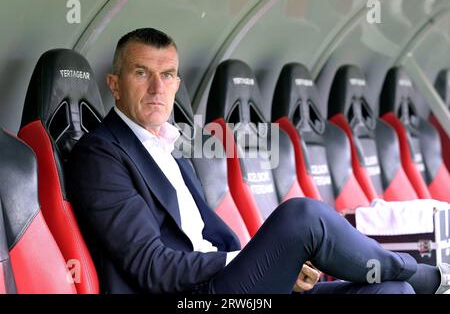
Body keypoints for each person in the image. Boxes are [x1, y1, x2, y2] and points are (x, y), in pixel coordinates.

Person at [67, 27, 450, 294]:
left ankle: (414, 278)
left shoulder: (171, 148)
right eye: (141, 73)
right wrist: (248, 258)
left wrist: (271, 265)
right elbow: (152, 266)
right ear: (114, 84)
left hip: (230, 283)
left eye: (167, 75)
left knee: (390, 290)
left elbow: (207, 239)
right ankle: (433, 277)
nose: (157, 88)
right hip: (191, 292)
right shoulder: (101, 155)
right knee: (301, 217)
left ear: (178, 85)